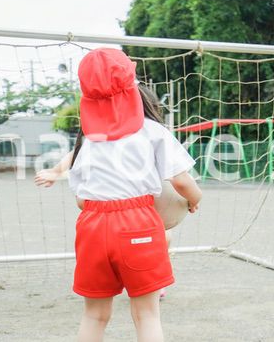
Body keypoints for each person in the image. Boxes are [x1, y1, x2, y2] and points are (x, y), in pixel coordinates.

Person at [34, 48, 201, 342]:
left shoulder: (88, 138)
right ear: (133, 91)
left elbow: (80, 199)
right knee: (147, 315)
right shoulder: (152, 131)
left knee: (94, 316)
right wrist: (195, 200)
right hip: (137, 222)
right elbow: (182, 181)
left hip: (92, 225)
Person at [35, 84, 180, 299]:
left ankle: (151, 281)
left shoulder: (148, 133)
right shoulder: (100, 133)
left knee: (162, 237)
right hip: (114, 206)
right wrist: (56, 172)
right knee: (150, 242)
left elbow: (178, 174)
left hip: (139, 204)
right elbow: (75, 154)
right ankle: (141, 280)